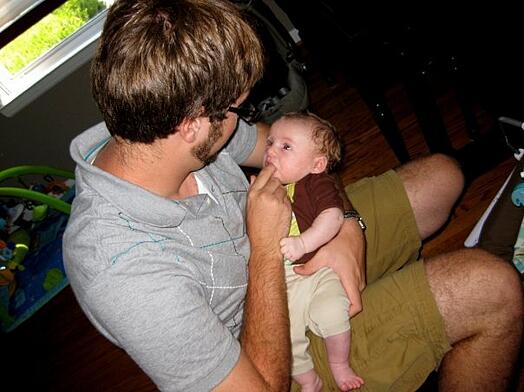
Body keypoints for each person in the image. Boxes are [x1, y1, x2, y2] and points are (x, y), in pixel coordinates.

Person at [63, 0, 523, 391]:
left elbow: (301, 154)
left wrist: (346, 226)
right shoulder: (121, 274)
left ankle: (388, 308)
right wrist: (264, 249)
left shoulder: (155, 116)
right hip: (276, 352)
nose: (243, 120)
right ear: (192, 125)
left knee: (442, 177)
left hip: (295, 243)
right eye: (236, 109)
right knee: (494, 287)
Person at [265, 112, 363, 391]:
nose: (271, 150)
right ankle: (309, 380)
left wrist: (304, 243)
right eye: (270, 143)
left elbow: (333, 217)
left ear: (317, 164)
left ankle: (339, 364)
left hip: (318, 269)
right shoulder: (265, 186)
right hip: (283, 281)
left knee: (333, 311)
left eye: (286, 147)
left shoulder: (314, 183)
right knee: (283, 338)